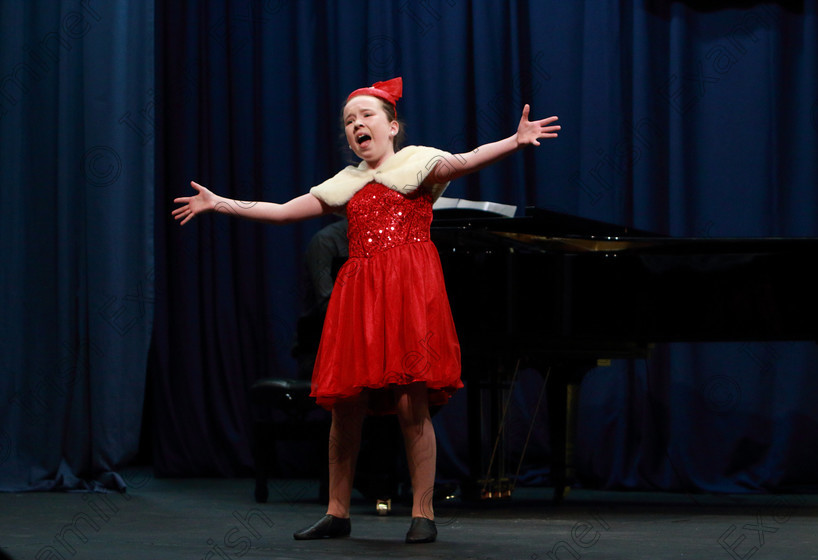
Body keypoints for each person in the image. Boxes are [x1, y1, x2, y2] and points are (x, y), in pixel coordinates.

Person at [172, 77, 560, 544]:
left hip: (409, 291)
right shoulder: (347, 182)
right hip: (360, 297)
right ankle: (338, 512)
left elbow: (467, 160)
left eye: (367, 116)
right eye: (349, 121)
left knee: (409, 401)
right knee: (346, 408)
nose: (357, 125)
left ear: (392, 125)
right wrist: (220, 204)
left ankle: (423, 512)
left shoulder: (418, 163)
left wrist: (514, 142)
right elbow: (281, 211)